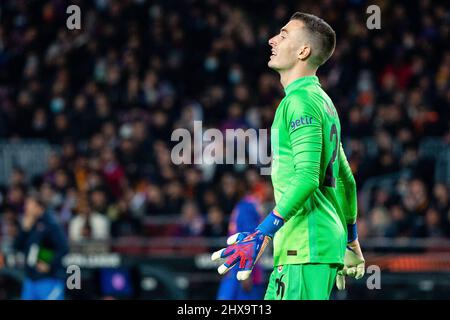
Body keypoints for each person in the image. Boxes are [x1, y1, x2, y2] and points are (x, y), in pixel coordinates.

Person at [212, 12, 365, 300]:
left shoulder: (299, 101)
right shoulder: (323, 102)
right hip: (316, 245)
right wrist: (352, 242)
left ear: (303, 51)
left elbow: (307, 177)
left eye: (283, 35)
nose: (272, 39)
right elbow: (346, 179)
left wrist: (262, 233)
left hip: (304, 245)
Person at [216, 180, 265, 300]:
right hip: (237, 267)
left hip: (243, 269)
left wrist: (245, 271)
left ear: (240, 186)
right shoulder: (244, 204)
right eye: (225, 185)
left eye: (230, 185)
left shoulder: (246, 206)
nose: (227, 189)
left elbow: (250, 239)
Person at [14, 195, 69, 300]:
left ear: (39, 207)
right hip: (30, 279)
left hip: (48, 279)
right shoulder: (29, 224)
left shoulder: (51, 223)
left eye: (29, 204)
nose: (26, 208)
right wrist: (24, 230)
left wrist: (49, 264)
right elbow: (17, 247)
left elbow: (63, 248)